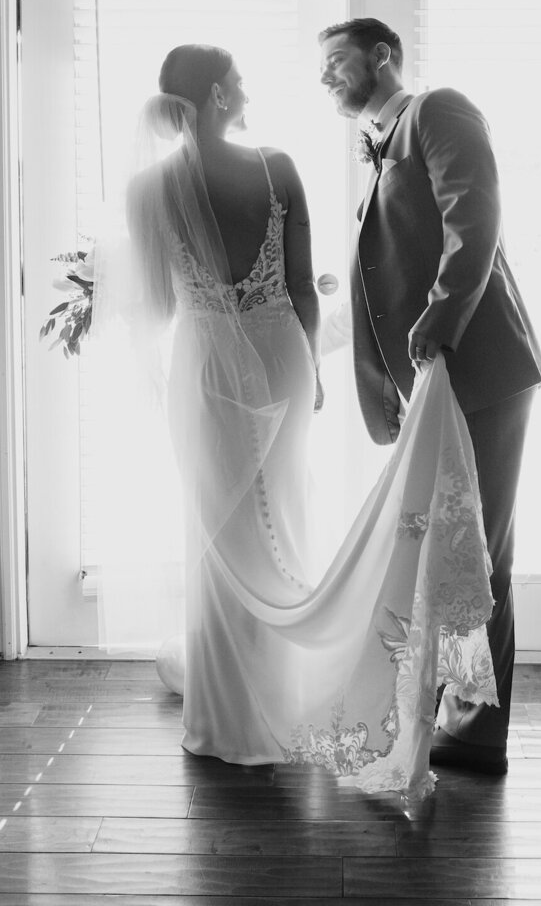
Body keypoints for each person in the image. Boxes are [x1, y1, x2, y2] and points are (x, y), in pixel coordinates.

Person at [93, 42, 498, 802]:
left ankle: (224, 721)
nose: (248, 87)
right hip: (282, 355)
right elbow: (309, 294)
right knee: (282, 519)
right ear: (216, 96)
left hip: (206, 369)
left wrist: (108, 278)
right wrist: (307, 371)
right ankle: (286, 705)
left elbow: (154, 303)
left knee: (216, 537)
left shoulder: (147, 189)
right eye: (237, 79)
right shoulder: (277, 168)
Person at [319, 17, 541, 776]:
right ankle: (461, 715)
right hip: (439, 377)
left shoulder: (438, 110)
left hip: (480, 365)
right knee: (458, 550)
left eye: (338, 61)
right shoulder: (382, 145)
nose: (327, 77)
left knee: (481, 552)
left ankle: (481, 733)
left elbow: (473, 219)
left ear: (382, 56)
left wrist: (438, 325)